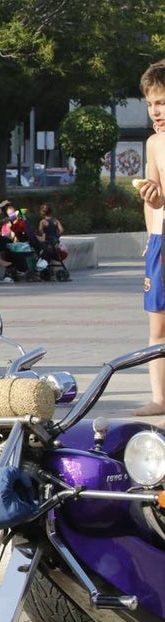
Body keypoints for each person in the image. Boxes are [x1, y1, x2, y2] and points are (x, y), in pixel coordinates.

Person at [136, 59, 165, 416]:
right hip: (160, 241)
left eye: (161, 102)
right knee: (157, 323)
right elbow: (153, 194)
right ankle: (160, 398)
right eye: (149, 103)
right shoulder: (153, 144)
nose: (155, 111)